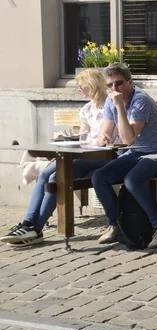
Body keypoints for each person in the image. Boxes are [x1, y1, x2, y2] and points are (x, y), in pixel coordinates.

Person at [0, 69, 111, 247]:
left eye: (81, 85)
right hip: (83, 157)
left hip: (105, 156)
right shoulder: (87, 109)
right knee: (49, 175)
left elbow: (107, 139)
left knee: (53, 176)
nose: (79, 89)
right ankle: (31, 226)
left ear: (92, 85)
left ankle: (33, 228)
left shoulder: (110, 106)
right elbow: (82, 138)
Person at [92, 62, 157, 249]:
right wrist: (102, 137)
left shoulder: (141, 100)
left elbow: (129, 138)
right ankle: (116, 225)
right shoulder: (110, 100)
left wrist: (120, 107)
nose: (115, 89)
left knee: (132, 180)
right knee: (99, 177)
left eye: (119, 83)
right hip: (135, 152)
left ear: (130, 82)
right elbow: (107, 131)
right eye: (110, 85)